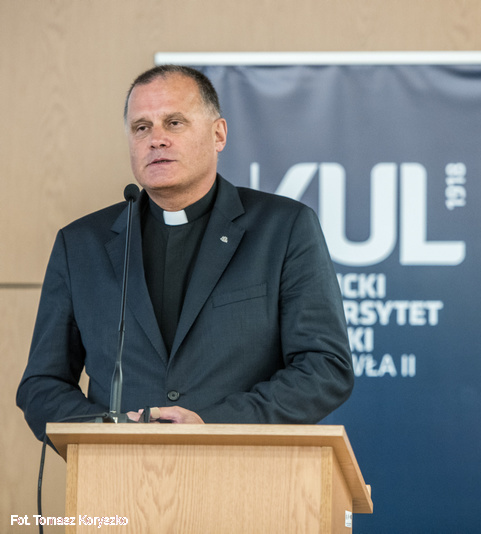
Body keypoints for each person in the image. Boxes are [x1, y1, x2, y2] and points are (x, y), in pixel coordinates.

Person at [17, 65, 354, 440]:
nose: (156, 139)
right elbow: (41, 386)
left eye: (174, 123)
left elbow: (325, 368)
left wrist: (215, 425)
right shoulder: (81, 244)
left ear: (218, 134)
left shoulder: (283, 228)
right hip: (121, 471)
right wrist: (111, 433)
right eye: (141, 127)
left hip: (247, 467)